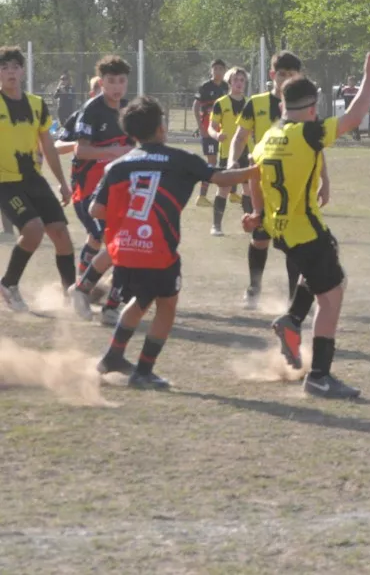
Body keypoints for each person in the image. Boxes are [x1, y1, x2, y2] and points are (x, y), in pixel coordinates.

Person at [245, 52, 370, 399]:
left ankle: (292, 319)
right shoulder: (309, 133)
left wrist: (258, 215)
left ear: (282, 106)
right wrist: (369, 78)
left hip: (282, 230)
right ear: (311, 107)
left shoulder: (270, 136)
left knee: (326, 272)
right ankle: (320, 376)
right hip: (305, 230)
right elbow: (354, 117)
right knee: (332, 296)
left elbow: (254, 177)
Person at [92, 98, 256, 388]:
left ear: (132, 133)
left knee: (140, 301)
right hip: (157, 251)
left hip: (126, 250)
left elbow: (97, 210)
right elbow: (221, 178)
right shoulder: (180, 159)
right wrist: (255, 170)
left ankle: (112, 357)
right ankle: (144, 370)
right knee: (166, 305)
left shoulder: (117, 166)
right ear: (161, 128)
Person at [228, 51, 328, 310]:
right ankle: (254, 288)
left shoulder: (305, 108)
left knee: (294, 242)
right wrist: (231, 164)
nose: (285, 79)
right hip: (261, 184)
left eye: (291, 74)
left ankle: (294, 295)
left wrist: (325, 180)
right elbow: (240, 137)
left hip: (294, 186)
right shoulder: (257, 103)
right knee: (260, 238)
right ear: (272, 75)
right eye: (281, 74)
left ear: (299, 76)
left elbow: (316, 145)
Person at [0, 46, 76, 313]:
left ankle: (71, 295)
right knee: (33, 230)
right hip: (4, 182)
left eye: (14, 67)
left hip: (33, 179)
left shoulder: (37, 105)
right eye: (4, 67)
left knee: (61, 233)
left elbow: (48, 148)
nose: (10, 72)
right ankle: (8, 284)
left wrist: (63, 184)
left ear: (22, 71)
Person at [61, 56, 135, 323]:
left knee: (120, 241)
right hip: (88, 190)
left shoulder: (128, 110)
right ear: (101, 82)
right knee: (112, 239)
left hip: (116, 190)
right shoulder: (92, 110)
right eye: (111, 81)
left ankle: (92, 292)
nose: (117, 87)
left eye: (122, 81)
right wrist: (113, 150)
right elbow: (81, 150)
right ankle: (87, 291)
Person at [206, 67, 251, 236]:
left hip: (248, 152)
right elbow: (211, 127)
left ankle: (250, 225)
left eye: (242, 80)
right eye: (236, 80)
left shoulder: (250, 103)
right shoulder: (221, 103)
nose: (239, 83)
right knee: (224, 189)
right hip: (227, 153)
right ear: (229, 82)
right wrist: (216, 135)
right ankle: (216, 226)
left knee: (248, 190)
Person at [192, 59, 229, 206]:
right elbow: (195, 106)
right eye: (215, 69)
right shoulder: (205, 87)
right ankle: (201, 196)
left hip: (224, 131)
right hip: (209, 130)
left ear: (224, 71)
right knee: (211, 162)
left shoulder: (227, 87)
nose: (218, 71)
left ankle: (228, 194)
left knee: (227, 161)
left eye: (221, 68)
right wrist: (200, 127)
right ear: (211, 70)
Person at [339, 76, 360, 141]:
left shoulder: (357, 90)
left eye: (352, 81)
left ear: (354, 82)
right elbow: (339, 95)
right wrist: (340, 88)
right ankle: (353, 135)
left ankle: (357, 136)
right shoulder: (345, 89)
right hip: (347, 109)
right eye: (349, 81)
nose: (350, 83)